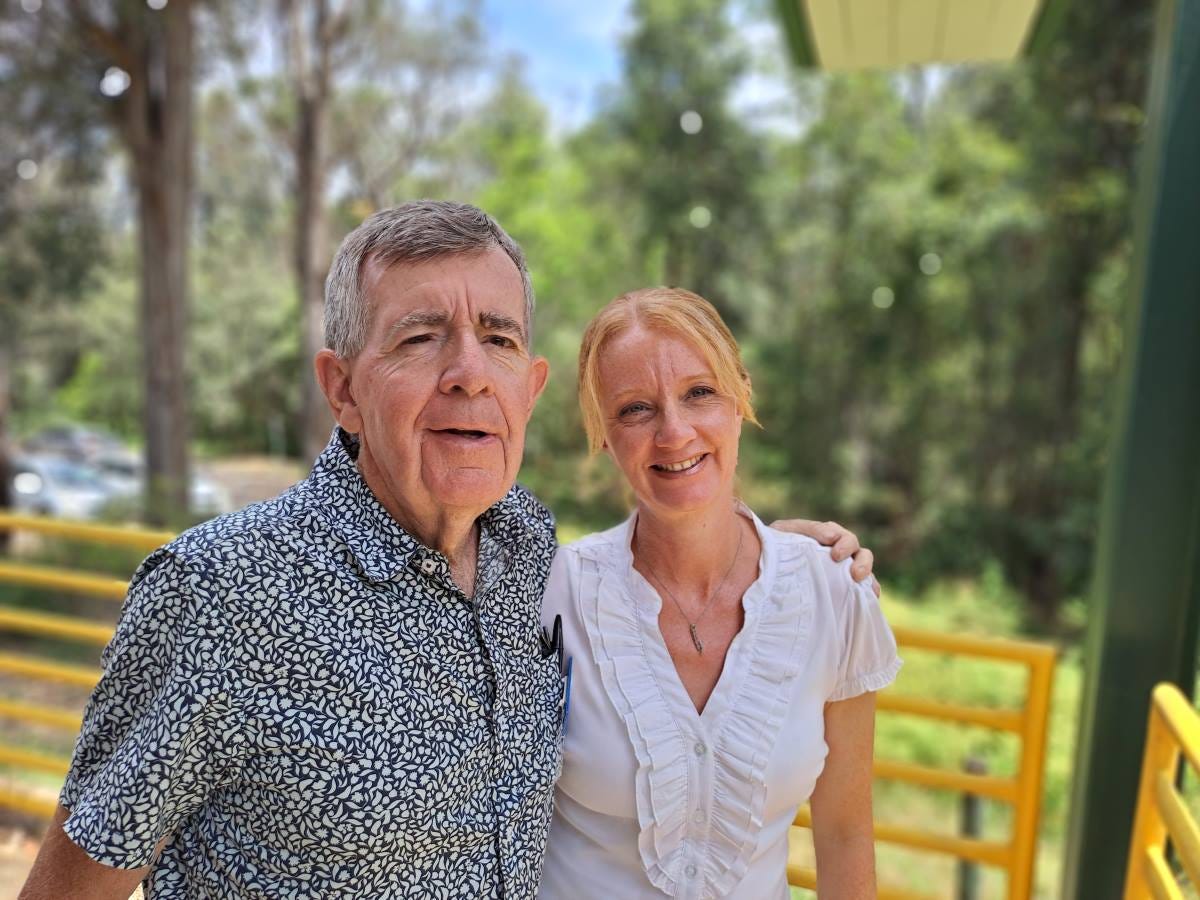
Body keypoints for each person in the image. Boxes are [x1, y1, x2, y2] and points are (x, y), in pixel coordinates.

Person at [19, 202, 875, 899]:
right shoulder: (223, 595)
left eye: (498, 338)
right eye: (421, 337)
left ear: (529, 391)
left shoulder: (528, 555)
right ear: (342, 389)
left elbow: (671, 547)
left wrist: (781, 554)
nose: (469, 372)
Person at [539, 287, 901, 899]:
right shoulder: (552, 596)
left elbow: (843, 833)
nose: (673, 432)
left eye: (699, 393)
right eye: (634, 409)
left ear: (741, 398)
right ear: (602, 434)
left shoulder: (833, 593)